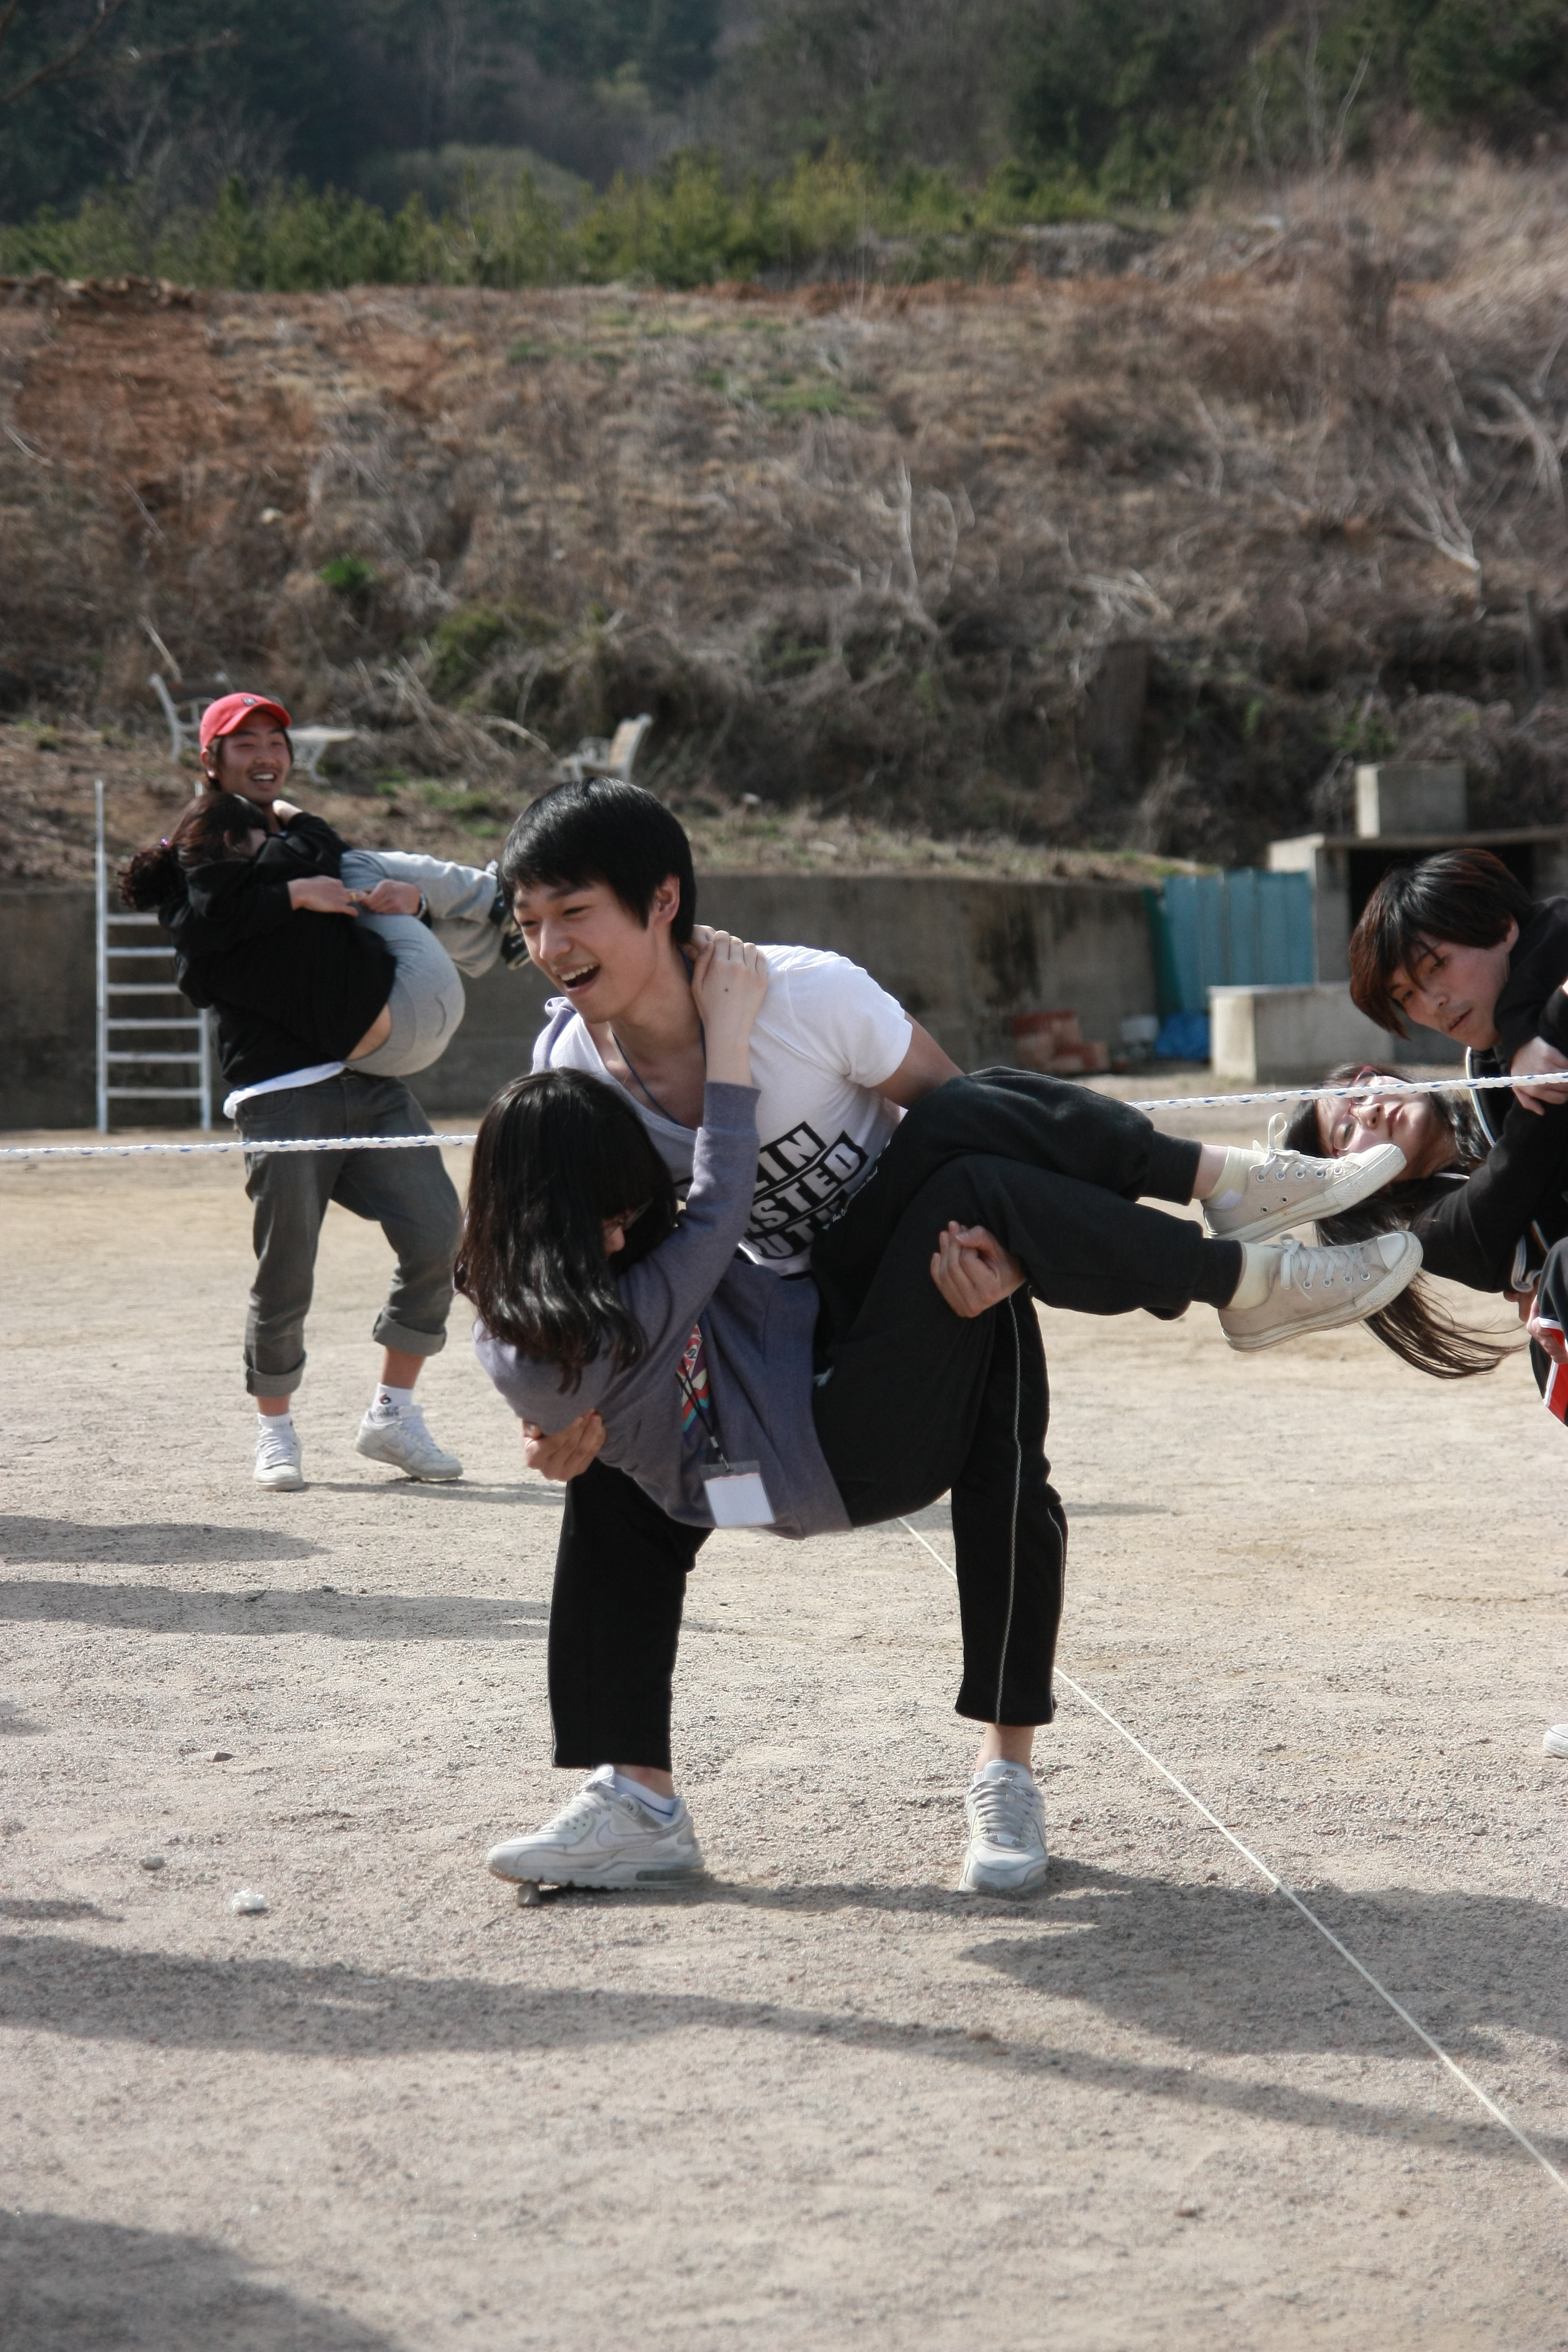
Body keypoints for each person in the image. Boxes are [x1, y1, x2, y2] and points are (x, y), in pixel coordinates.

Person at [472, 814, 1420, 1893]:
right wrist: (553, 1415)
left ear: (661, 902)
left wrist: (1016, 1254)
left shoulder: (805, 997)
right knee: (607, 1477)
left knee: (980, 1252)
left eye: (573, 913)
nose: (549, 947)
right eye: (528, 922)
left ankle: (1005, 1773)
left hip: (907, 1261)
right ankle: (633, 1797)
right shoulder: (570, 1071)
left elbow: (967, 1113)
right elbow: (586, 1271)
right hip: (777, 1341)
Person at [119, 693, 469, 1492]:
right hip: (281, 1093)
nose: (265, 754)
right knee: (287, 1271)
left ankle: (393, 1414)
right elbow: (200, 934)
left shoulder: (295, 833)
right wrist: (293, 893)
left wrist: (360, 888)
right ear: (211, 760)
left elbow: (324, 859)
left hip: (370, 1080)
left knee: (439, 1234)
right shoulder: (201, 841)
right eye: (244, 743)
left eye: (275, 740)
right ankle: (274, 1431)